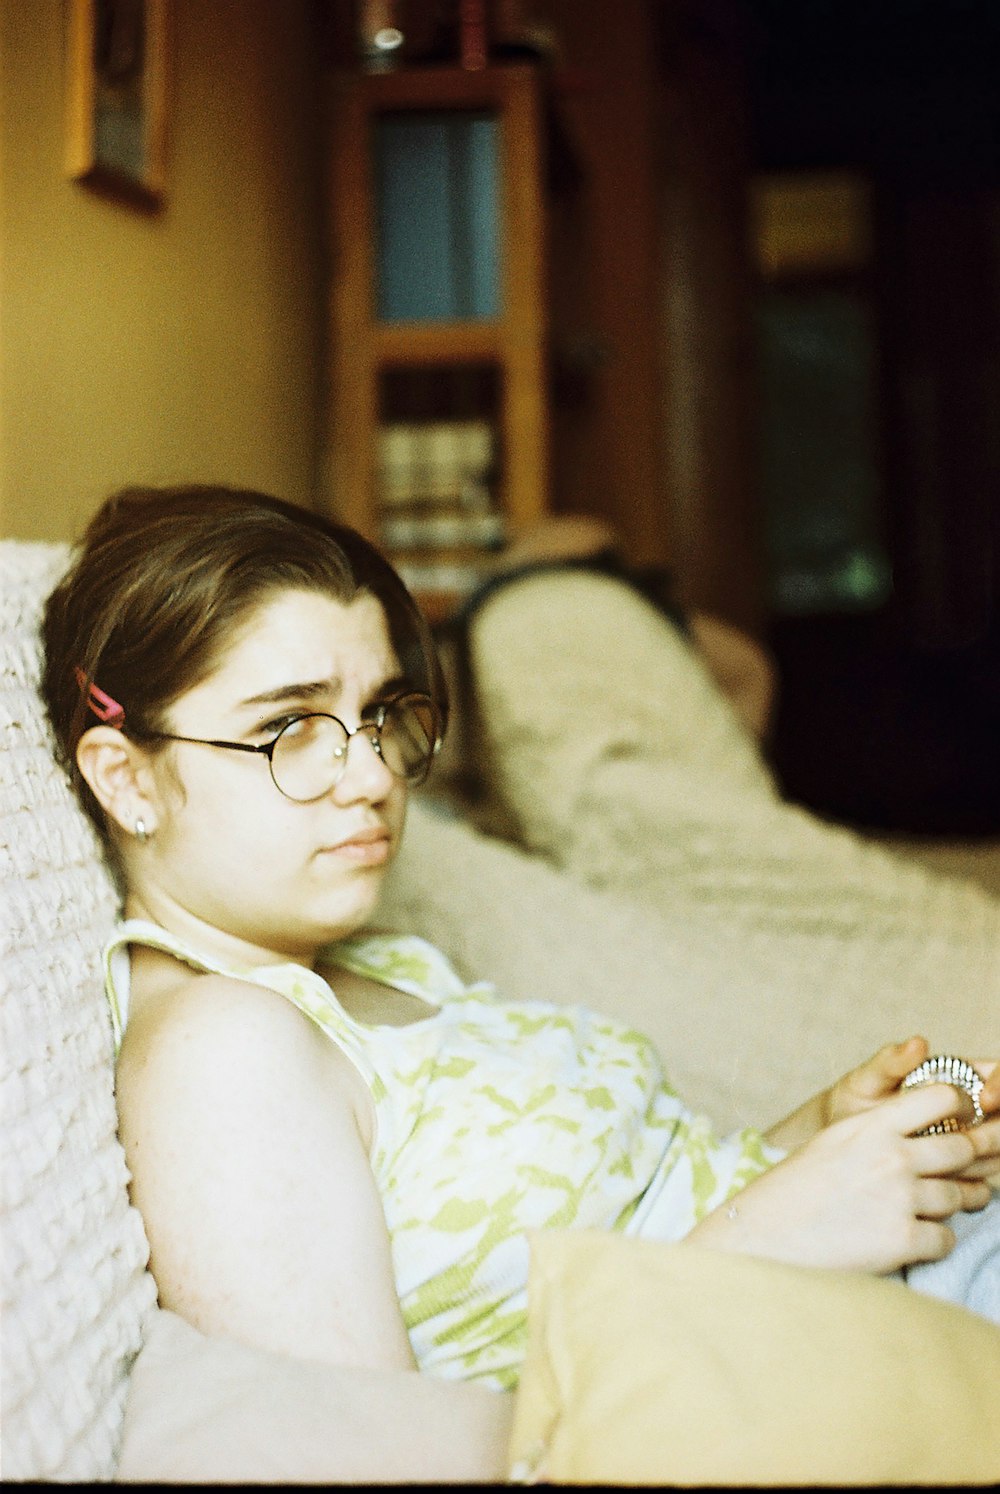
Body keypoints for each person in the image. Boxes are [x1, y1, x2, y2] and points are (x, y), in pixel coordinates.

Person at [41, 486, 1000, 1482]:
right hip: (854, 1360)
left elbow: (622, 1225)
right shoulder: (216, 1055)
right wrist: (771, 1238)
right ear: (124, 777)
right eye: (291, 728)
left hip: (888, 1292)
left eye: (376, 718)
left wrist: (808, 1144)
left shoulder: (368, 960)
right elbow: (384, 1461)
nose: (370, 775)